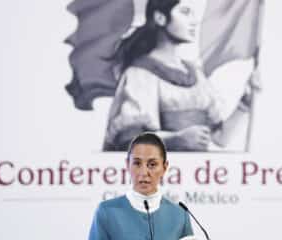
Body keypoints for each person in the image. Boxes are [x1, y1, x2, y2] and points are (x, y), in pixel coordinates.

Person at [103, 0, 248, 151]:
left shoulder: (196, 74)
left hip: (199, 170)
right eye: (185, 12)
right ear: (160, 18)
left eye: (193, 14)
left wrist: (244, 104)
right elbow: (128, 140)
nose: (194, 21)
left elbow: (220, 138)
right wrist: (175, 139)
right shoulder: (140, 74)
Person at [89, 132, 194, 240]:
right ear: (127, 165)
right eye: (137, 163)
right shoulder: (106, 212)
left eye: (152, 164)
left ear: (164, 167)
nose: (144, 172)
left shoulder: (180, 215)